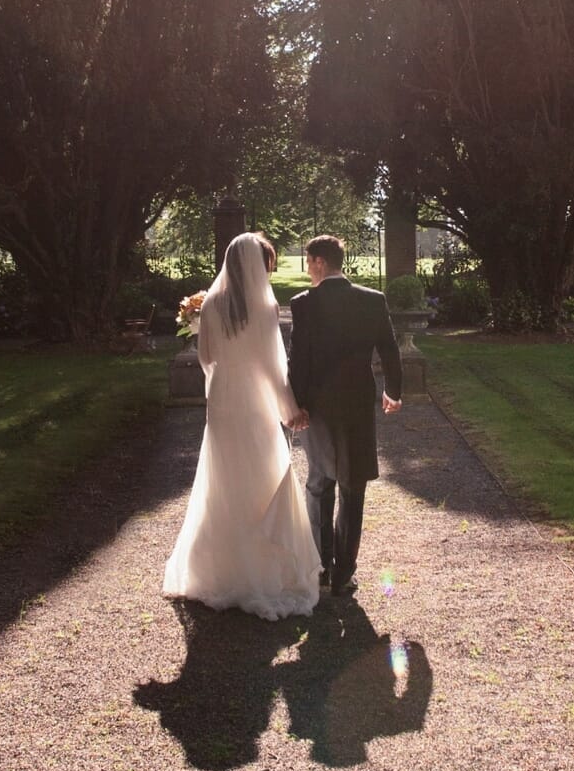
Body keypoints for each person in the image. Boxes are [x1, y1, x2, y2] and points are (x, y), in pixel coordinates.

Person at [163, 232, 322, 620]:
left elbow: (207, 355)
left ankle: (218, 568)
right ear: (256, 265)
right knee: (262, 474)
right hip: (253, 401)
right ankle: (261, 568)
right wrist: (289, 410)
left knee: (224, 477)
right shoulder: (263, 306)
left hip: (222, 400)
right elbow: (273, 367)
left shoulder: (212, 305)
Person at [288, 234, 403, 597]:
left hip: (318, 407)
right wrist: (393, 391)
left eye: (308, 263)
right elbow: (389, 349)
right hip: (356, 403)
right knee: (353, 487)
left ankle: (321, 571)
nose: (308, 271)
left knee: (320, 482)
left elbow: (299, 359)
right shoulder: (372, 300)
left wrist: (296, 404)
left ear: (320, 262)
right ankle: (344, 575)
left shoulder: (303, 304)